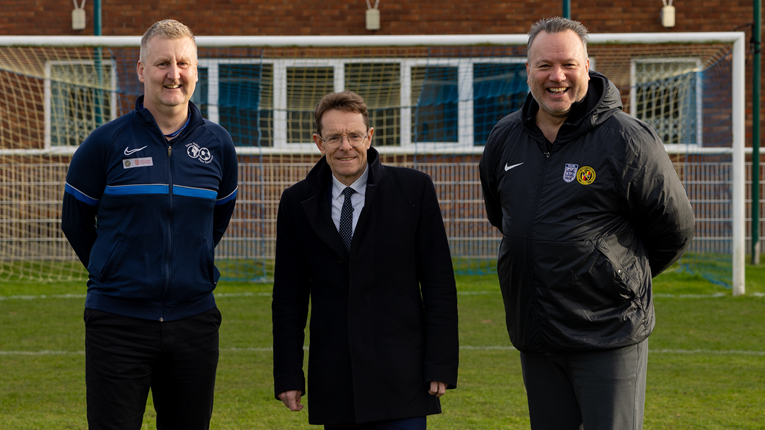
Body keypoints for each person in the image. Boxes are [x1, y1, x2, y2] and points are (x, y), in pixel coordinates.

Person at [479, 17, 695, 430]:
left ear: (588, 66)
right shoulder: (505, 136)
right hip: (537, 333)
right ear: (527, 69)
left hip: (607, 335)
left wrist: (618, 276)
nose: (556, 76)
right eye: (544, 65)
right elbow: (504, 216)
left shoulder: (627, 138)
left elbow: (675, 228)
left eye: (568, 65)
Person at [61, 19, 238, 430]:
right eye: (161, 64)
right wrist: (114, 271)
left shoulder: (218, 145)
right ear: (142, 71)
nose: (173, 74)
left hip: (194, 322)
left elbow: (217, 221)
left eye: (183, 63)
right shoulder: (105, 142)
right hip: (117, 324)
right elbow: (75, 222)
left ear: (195, 69)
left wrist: (189, 268)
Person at [272, 90, 459, 429]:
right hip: (335, 375)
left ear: (369, 137)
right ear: (319, 142)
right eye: (334, 137)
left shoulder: (414, 189)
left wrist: (441, 364)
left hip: (402, 374)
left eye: (354, 135)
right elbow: (288, 298)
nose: (345, 146)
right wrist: (287, 373)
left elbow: (439, 284)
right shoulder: (296, 202)